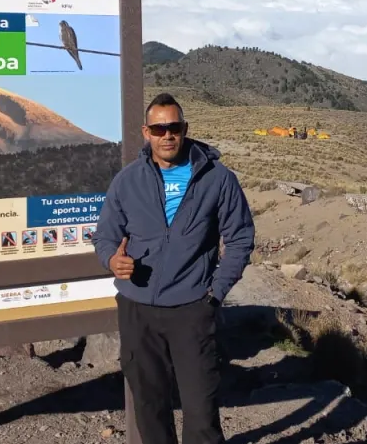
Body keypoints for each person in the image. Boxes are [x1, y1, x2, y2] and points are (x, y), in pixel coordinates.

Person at [94, 92, 255, 444]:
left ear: (185, 129)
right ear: (146, 132)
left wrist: (215, 292)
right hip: (138, 310)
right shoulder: (127, 180)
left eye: (174, 127)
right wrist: (112, 260)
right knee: (149, 407)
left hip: (192, 310)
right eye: (158, 127)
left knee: (200, 410)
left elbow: (241, 237)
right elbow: (105, 236)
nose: (167, 135)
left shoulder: (218, 179)